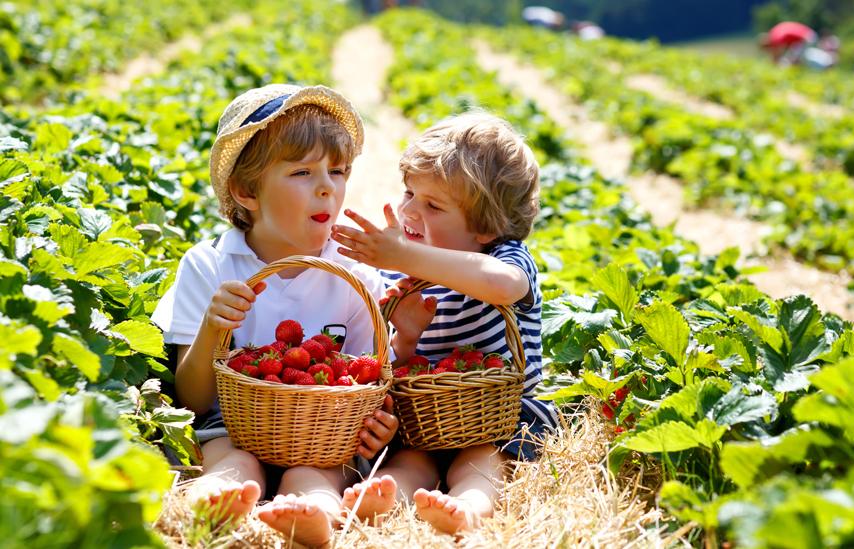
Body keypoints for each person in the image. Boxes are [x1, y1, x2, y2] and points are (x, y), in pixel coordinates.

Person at [151, 83, 401, 547]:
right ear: (246, 191)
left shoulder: (355, 276)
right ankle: (214, 498)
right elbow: (193, 400)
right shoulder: (209, 267)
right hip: (231, 427)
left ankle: (314, 515)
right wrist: (213, 328)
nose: (327, 186)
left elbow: (368, 383)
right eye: (303, 172)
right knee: (228, 459)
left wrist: (378, 422)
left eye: (338, 171)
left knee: (317, 473)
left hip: (324, 437)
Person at [331, 112, 559, 534]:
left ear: (487, 227)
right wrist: (408, 336)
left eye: (433, 205)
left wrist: (404, 257)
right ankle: (386, 498)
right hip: (427, 422)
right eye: (409, 194)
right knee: (408, 462)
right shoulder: (406, 279)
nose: (409, 211)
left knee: (481, 461)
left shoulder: (505, 259)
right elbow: (399, 364)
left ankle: (470, 506)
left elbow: (504, 286)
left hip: (496, 419)